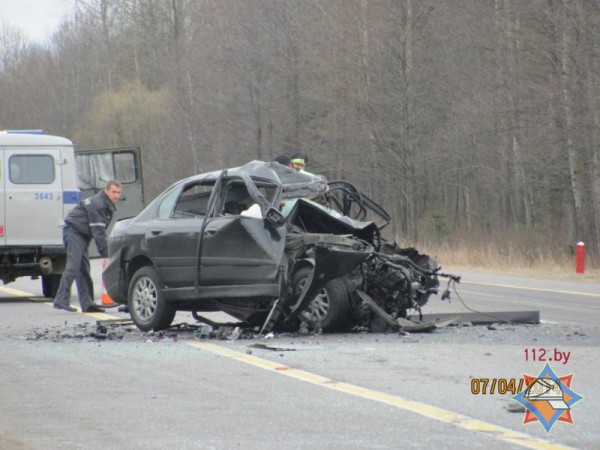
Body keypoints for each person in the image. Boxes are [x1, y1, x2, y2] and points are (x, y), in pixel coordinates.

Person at [53, 180, 122, 313]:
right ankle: (61, 300)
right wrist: (105, 255)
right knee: (73, 266)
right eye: (113, 192)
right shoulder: (98, 204)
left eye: (118, 192)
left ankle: (87, 303)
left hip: (82, 235)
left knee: (83, 269)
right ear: (106, 191)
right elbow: (99, 232)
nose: (116, 195)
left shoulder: (107, 204)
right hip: (73, 232)